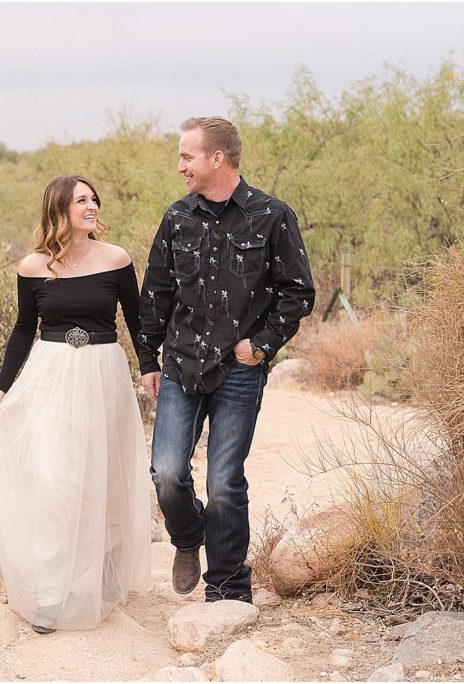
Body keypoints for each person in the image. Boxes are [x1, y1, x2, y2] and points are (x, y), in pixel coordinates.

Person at [136, 117, 315, 603]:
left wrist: (259, 346)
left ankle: (229, 587)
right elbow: (155, 292)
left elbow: (298, 292)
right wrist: (148, 359)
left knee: (224, 481)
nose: (180, 167)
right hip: (180, 365)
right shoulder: (177, 218)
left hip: (239, 370)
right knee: (168, 472)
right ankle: (188, 537)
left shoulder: (272, 215)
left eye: (187, 157)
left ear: (217, 158)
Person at [0, 175, 151, 634]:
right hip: (52, 374)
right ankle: (54, 595)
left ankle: (103, 580)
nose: (91, 205)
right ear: (60, 209)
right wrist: (1, 387)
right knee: (56, 482)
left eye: (94, 198)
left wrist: (150, 369)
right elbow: (22, 329)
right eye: (81, 200)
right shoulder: (33, 267)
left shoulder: (117, 259)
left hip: (104, 374)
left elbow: (136, 322)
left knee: (105, 480)